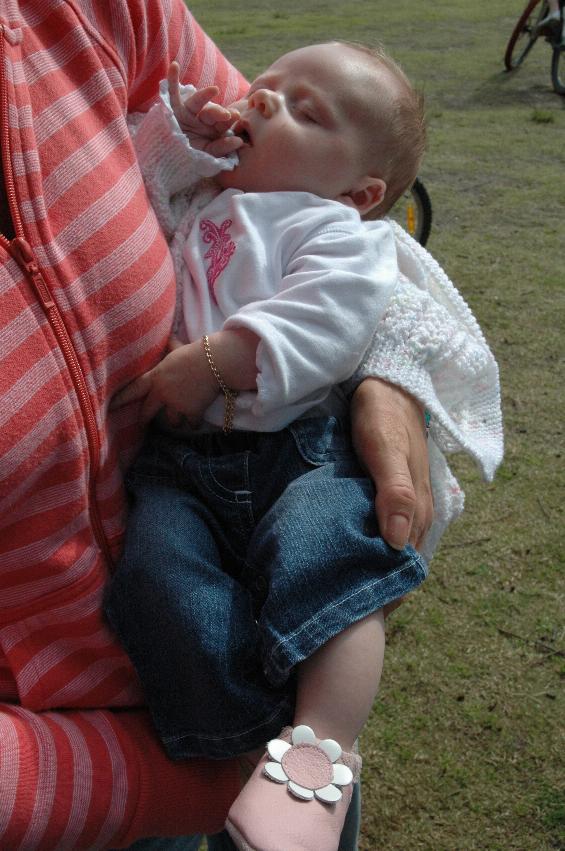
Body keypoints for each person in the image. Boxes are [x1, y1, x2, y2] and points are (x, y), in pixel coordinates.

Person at [0, 1, 501, 848]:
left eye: (304, 110)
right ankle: (246, 743)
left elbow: (340, 312)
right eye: (267, 88)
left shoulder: (335, 227)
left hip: (298, 449)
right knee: (160, 577)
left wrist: (222, 362)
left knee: (330, 572)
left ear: (363, 192)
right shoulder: (211, 202)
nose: (263, 102)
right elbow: (147, 185)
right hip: (180, 473)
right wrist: (185, 139)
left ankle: (318, 754)